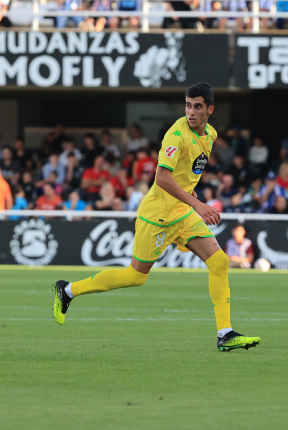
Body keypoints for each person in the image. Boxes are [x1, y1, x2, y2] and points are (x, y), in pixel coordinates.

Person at [52, 83, 261, 352]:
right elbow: (161, 177)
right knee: (136, 277)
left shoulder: (210, 134)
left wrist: (191, 199)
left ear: (210, 109)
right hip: (158, 217)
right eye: (188, 105)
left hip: (182, 213)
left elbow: (187, 175)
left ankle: (225, 333)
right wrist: (198, 204)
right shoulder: (176, 135)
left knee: (219, 261)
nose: (191, 112)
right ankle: (68, 290)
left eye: (197, 106)